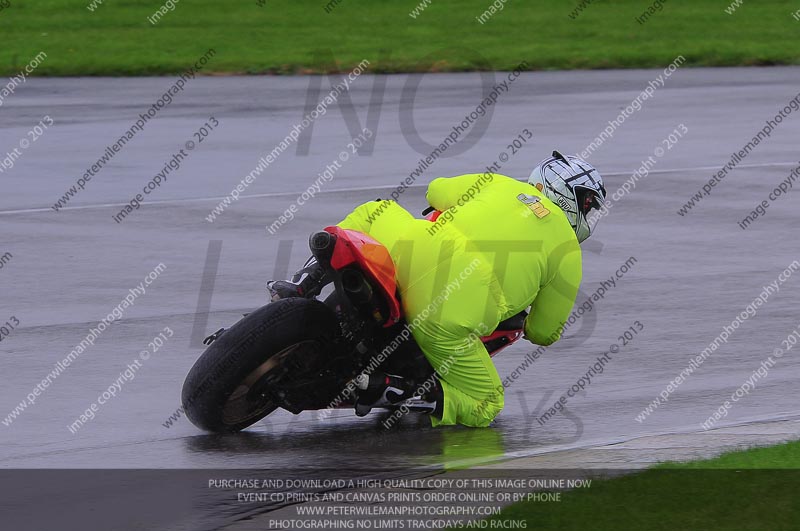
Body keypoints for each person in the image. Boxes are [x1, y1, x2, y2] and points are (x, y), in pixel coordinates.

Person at [268, 151, 607, 427]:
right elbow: (545, 332)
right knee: (487, 404)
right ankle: (390, 389)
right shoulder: (568, 252)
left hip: (412, 250)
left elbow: (435, 190)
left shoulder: (501, 184)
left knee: (375, 211)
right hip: (447, 315)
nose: (588, 214)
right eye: (588, 205)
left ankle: (303, 283)